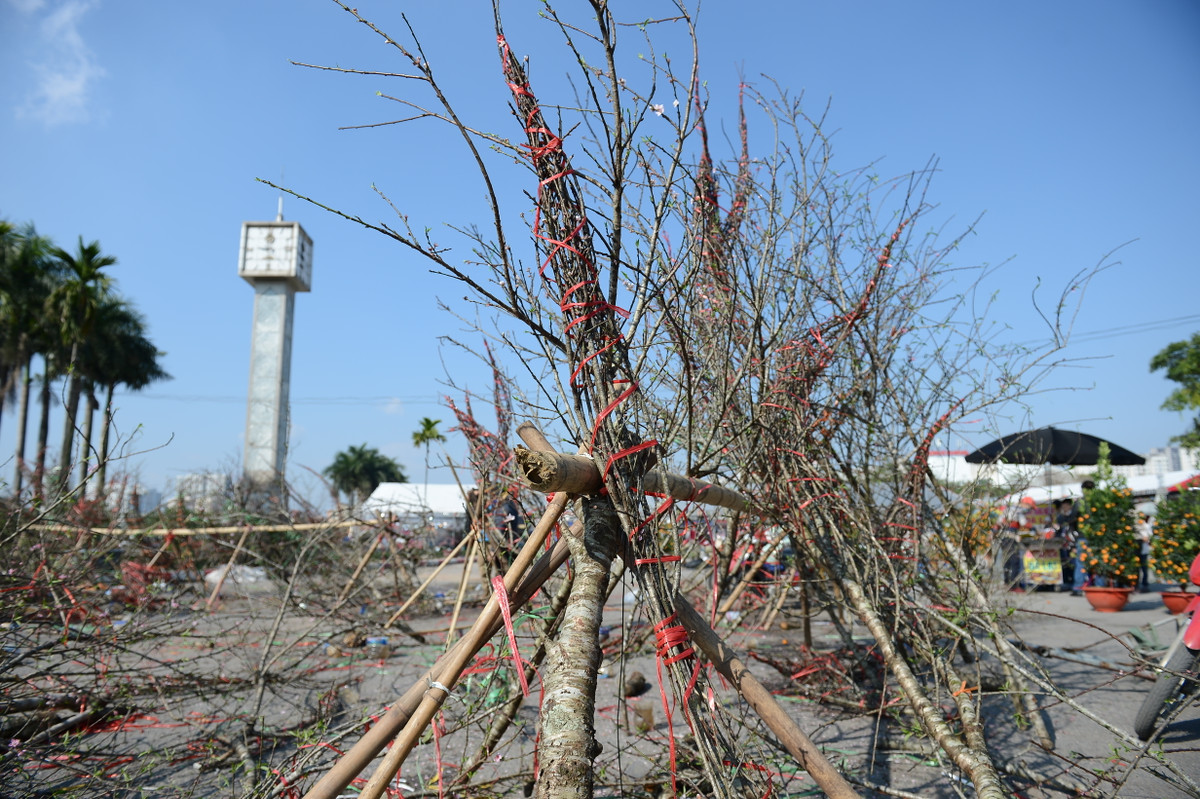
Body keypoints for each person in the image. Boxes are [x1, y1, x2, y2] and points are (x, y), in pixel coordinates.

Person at [1136, 512, 1153, 592]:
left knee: (1144, 568)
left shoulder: (1146, 526)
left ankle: (1144, 584)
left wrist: (1145, 538)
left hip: (1144, 550)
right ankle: (1136, 585)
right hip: (1138, 549)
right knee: (1137, 568)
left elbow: (1148, 537)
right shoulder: (1138, 526)